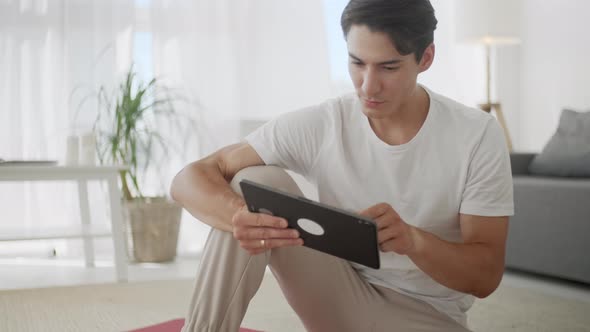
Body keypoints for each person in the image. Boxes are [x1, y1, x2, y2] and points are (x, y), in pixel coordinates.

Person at [170, 0, 514, 331]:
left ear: (425, 58)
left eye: (388, 67)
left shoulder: (476, 135)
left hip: (427, 316)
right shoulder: (325, 123)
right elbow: (188, 178)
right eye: (357, 63)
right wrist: (237, 215)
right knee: (254, 182)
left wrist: (414, 241)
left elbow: (484, 277)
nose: (368, 85)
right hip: (337, 294)